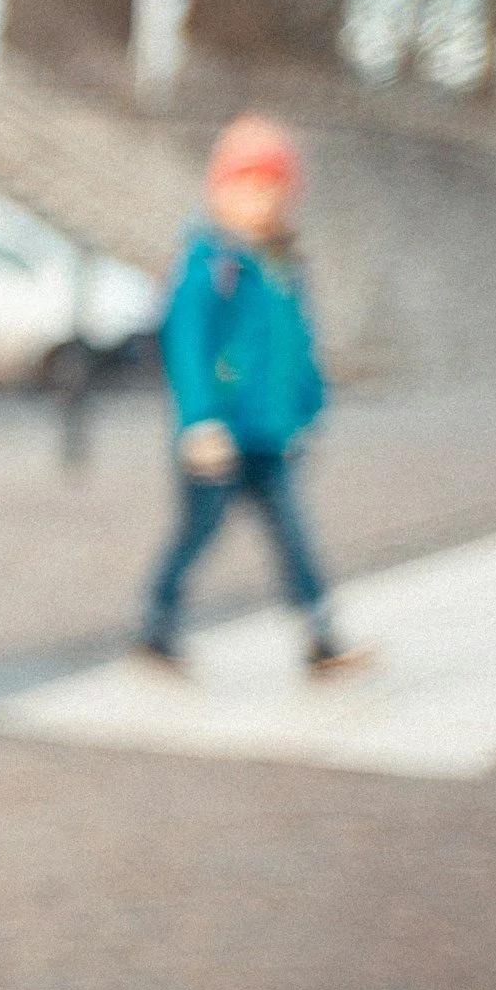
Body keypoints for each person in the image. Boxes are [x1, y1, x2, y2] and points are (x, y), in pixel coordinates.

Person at [141, 115, 363, 675]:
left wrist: (309, 407)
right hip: (218, 435)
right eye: (248, 187)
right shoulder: (209, 263)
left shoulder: (283, 265)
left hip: (270, 433)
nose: (260, 201)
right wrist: (199, 419)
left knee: (293, 534)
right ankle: (157, 622)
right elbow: (186, 344)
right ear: (222, 189)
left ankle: (319, 632)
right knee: (197, 533)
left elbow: (299, 345)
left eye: (271, 189)